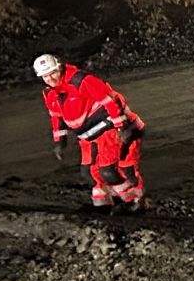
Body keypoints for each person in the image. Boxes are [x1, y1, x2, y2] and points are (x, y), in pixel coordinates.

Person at [35, 54, 144, 213]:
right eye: (45, 76)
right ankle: (105, 203)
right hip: (87, 137)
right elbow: (56, 118)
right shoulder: (50, 94)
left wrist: (121, 126)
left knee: (107, 171)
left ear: (60, 68)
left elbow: (110, 101)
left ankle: (133, 200)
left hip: (106, 130)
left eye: (53, 73)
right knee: (88, 174)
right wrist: (60, 141)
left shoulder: (81, 81)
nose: (50, 78)